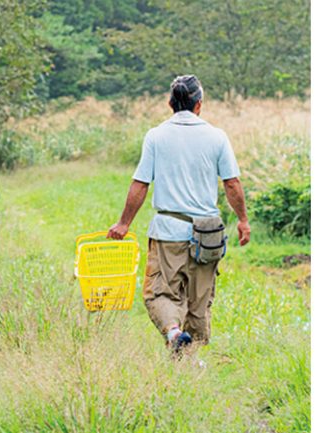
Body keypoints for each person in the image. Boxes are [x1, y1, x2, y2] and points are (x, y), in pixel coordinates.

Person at [107, 75, 250, 354]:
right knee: (199, 300)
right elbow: (232, 184)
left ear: (170, 103)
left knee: (160, 293)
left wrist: (124, 223)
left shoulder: (156, 136)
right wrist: (243, 220)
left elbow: (141, 184)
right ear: (199, 105)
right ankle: (189, 356)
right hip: (208, 235)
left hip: (167, 232)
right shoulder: (217, 136)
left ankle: (173, 333)